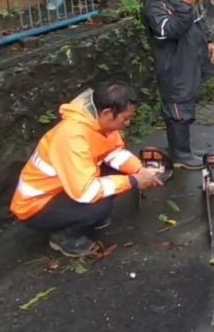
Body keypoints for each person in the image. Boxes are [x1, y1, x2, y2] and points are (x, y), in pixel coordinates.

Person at [10, 82, 164, 257]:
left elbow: (114, 153)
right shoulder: (72, 137)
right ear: (107, 113)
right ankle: (65, 237)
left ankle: (81, 219)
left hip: (62, 189)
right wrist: (134, 181)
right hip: (36, 206)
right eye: (125, 118)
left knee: (118, 176)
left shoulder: (100, 124)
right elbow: (86, 192)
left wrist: (139, 170)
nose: (128, 123)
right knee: (98, 206)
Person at [141, 0, 214, 170]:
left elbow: (198, 16)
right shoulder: (153, 8)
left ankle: (184, 149)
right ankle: (180, 155)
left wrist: (208, 40)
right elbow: (172, 30)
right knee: (177, 106)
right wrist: (184, 5)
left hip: (191, 56)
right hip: (173, 64)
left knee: (188, 100)